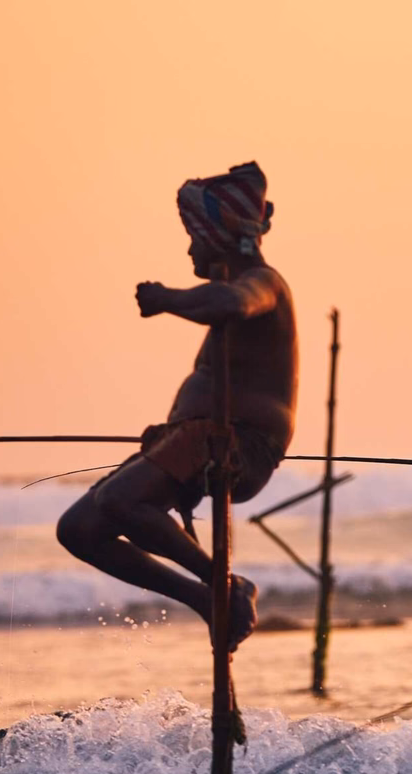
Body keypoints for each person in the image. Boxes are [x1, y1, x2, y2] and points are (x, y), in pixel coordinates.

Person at [57, 162, 297, 652]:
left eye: (195, 237)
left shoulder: (262, 282)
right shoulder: (233, 286)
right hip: (192, 441)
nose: (190, 248)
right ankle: (206, 595)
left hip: (237, 444)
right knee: (79, 529)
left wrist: (167, 298)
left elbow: (232, 302)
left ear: (220, 236)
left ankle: (224, 587)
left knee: (122, 502)